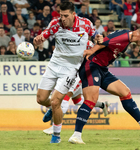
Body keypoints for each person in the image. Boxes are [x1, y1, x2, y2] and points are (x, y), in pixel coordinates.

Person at [68, 24, 140, 144]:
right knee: (91, 99)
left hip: (102, 69)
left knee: (125, 92)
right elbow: (105, 41)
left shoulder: (127, 38)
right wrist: (91, 50)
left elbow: (106, 41)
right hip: (92, 65)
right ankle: (76, 135)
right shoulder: (123, 36)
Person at [33, 1, 102, 143]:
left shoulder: (86, 24)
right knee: (40, 99)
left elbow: (97, 36)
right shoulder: (55, 24)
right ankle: (53, 109)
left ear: (73, 14)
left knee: (56, 100)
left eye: (65, 16)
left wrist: (99, 38)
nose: (62, 19)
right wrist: (38, 39)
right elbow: (44, 35)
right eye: (61, 15)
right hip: (54, 65)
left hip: (71, 69)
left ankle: (56, 136)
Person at [43, 74, 109, 135]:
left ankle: (54, 127)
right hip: (71, 75)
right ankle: (103, 105)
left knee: (65, 97)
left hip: (77, 76)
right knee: (78, 101)